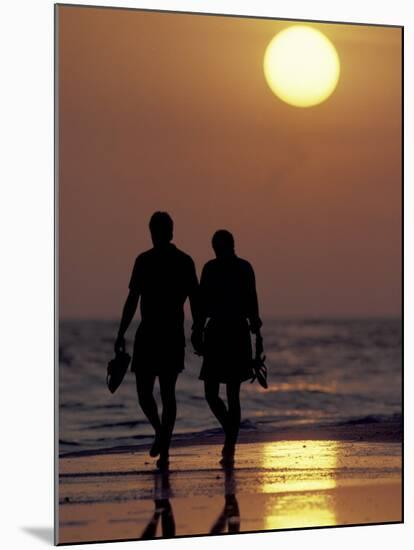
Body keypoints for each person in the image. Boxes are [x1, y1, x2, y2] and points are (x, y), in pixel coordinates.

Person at [115, 212, 199, 469]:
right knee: (149, 393)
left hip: (163, 333)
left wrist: (197, 329)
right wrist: (121, 332)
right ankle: (162, 435)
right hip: (156, 334)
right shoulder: (149, 261)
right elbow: (133, 300)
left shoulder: (180, 261)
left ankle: (164, 445)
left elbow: (195, 299)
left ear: (163, 232)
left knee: (161, 393)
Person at [192, 230, 263, 465]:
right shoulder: (212, 268)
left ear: (228, 246)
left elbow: (252, 303)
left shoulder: (241, 268)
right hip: (220, 333)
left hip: (233, 332)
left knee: (231, 394)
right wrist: (197, 331)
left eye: (218, 246)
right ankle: (231, 435)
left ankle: (230, 443)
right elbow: (201, 305)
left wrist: (257, 334)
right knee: (212, 394)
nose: (217, 251)